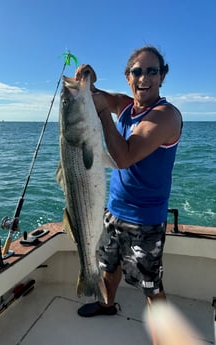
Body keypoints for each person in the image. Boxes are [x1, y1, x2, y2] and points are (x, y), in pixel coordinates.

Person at [75, 46, 183, 329]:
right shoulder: (125, 105)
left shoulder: (164, 116)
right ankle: (107, 305)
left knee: (151, 287)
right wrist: (88, 80)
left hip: (145, 221)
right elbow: (94, 97)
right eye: (137, 71)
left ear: (162, 77)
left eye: (152, 71)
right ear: (128, 77)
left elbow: (123, 157)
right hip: (113, 211)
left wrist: (101, 116)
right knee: (108, 267)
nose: (144, 77)